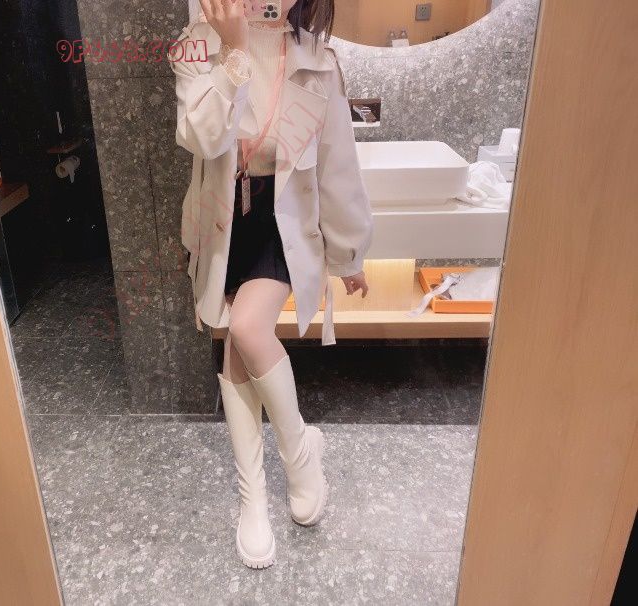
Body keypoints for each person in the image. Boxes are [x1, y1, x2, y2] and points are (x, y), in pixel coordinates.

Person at [171, 0, 373, 568]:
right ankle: (253, 499)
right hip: (222, 220)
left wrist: (348, 250)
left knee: (247, 326)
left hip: (283, 220)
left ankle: (298, 452)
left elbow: (336, 162)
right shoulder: (196, 43)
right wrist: (234, 50)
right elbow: (200, 136)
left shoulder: (317, 59)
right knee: (237, 344)